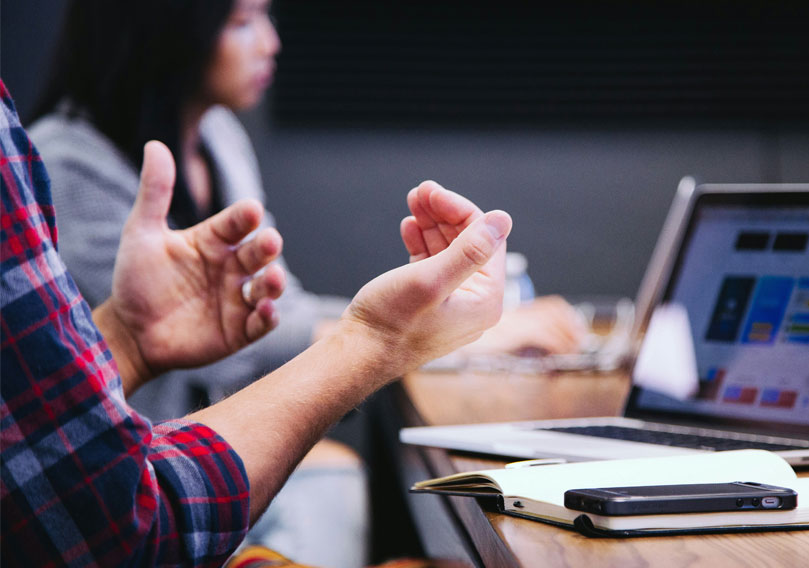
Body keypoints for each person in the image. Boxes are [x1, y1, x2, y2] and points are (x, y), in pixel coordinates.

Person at [28, 0, 583, 563]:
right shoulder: (66, 167)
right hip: (143, 486)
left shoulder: (217, 136)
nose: (271, 43)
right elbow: (247, 347)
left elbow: (272, 310)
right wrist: (419, 332)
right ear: (162, 29)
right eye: (242, 22)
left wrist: (410, 327)